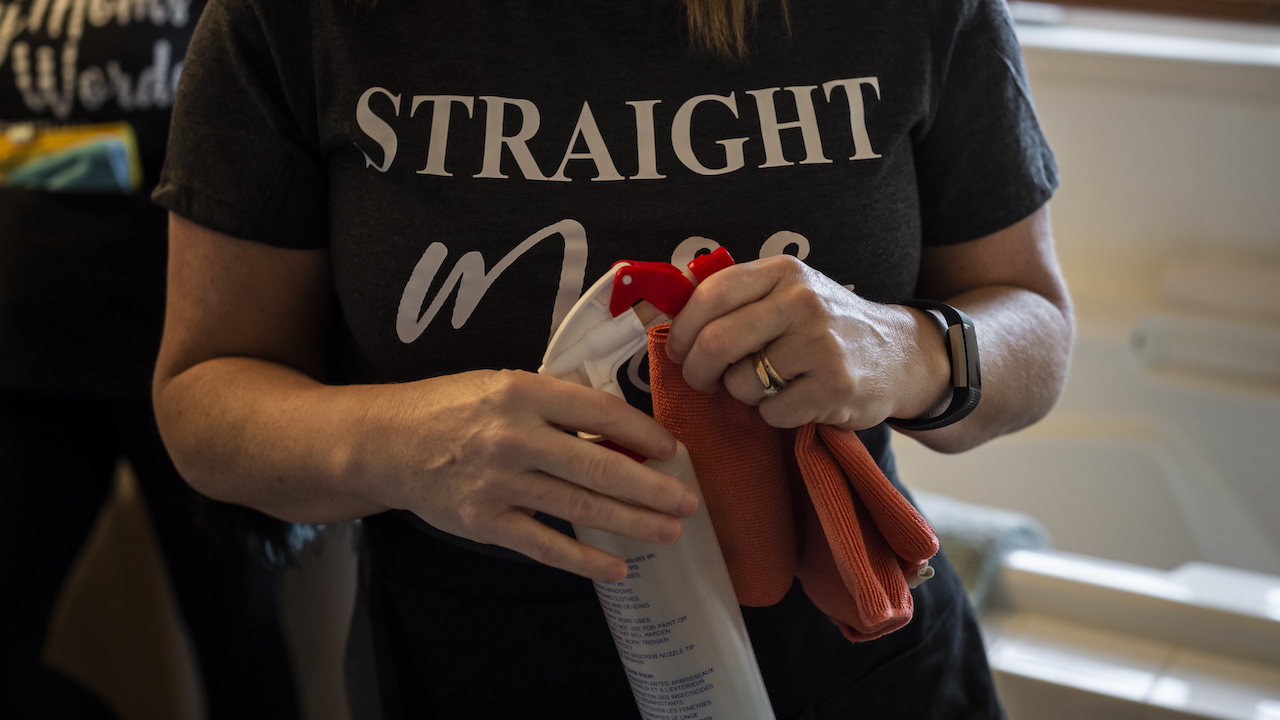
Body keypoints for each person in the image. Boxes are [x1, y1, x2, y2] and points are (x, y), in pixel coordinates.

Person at [151, 0, 1074, 716]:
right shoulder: (292, 19)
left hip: (852, 656)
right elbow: (203, 400)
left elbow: (1034, 323)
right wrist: (400, 441)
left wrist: (904, 348)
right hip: (468, 664)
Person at [0, 1, 301, 716]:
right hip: (26, 350)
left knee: (240, 647)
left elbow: (234, 150)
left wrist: (39, 153)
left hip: (193, 354)